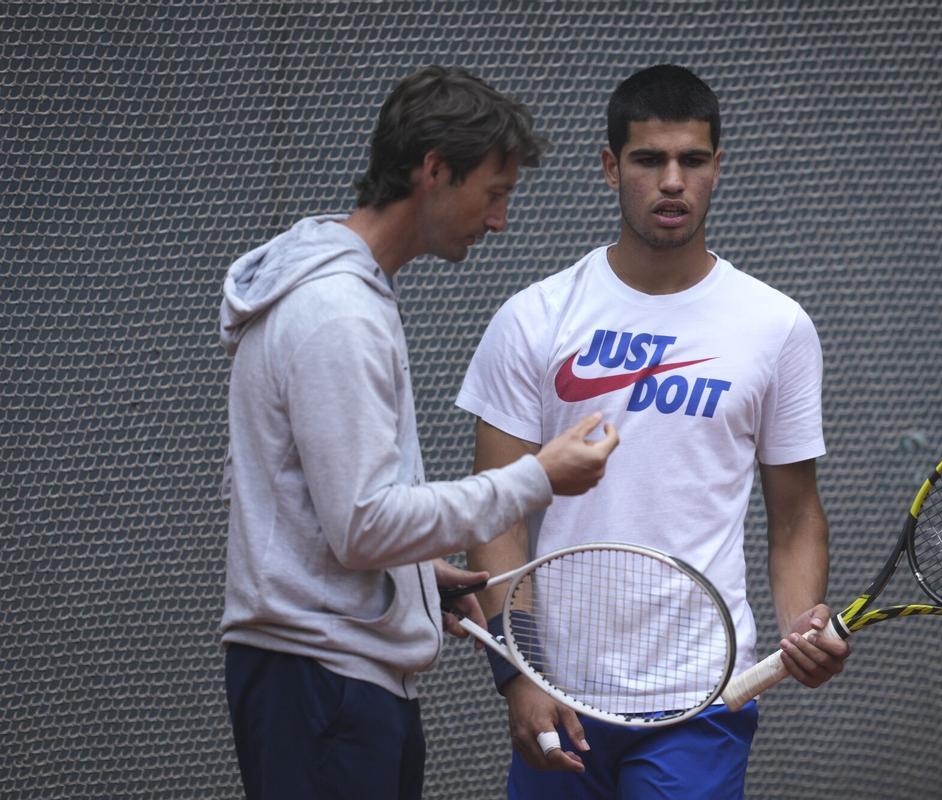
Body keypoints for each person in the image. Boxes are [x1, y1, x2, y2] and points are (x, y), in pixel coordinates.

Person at [217, 66, 619, 800]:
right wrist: (536, 478)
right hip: (323, 682)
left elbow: (313, 504)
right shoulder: (337, 314)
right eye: (493, 194)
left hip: (333, 674)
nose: (498, 220)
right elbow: (364, 526)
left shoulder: (342, 295)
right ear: (435, 171)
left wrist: (415, 577)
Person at [456, 64, 849, 798]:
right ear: (610, 168)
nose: (672, 181)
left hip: (701, 700)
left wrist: (802, 627)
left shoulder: (777, 327)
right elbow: (495, 515)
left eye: (692, 160)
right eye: (648, 160)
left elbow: (796, 518)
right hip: (560, 694)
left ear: (717, 169)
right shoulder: (533, 318)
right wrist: (520, 673)